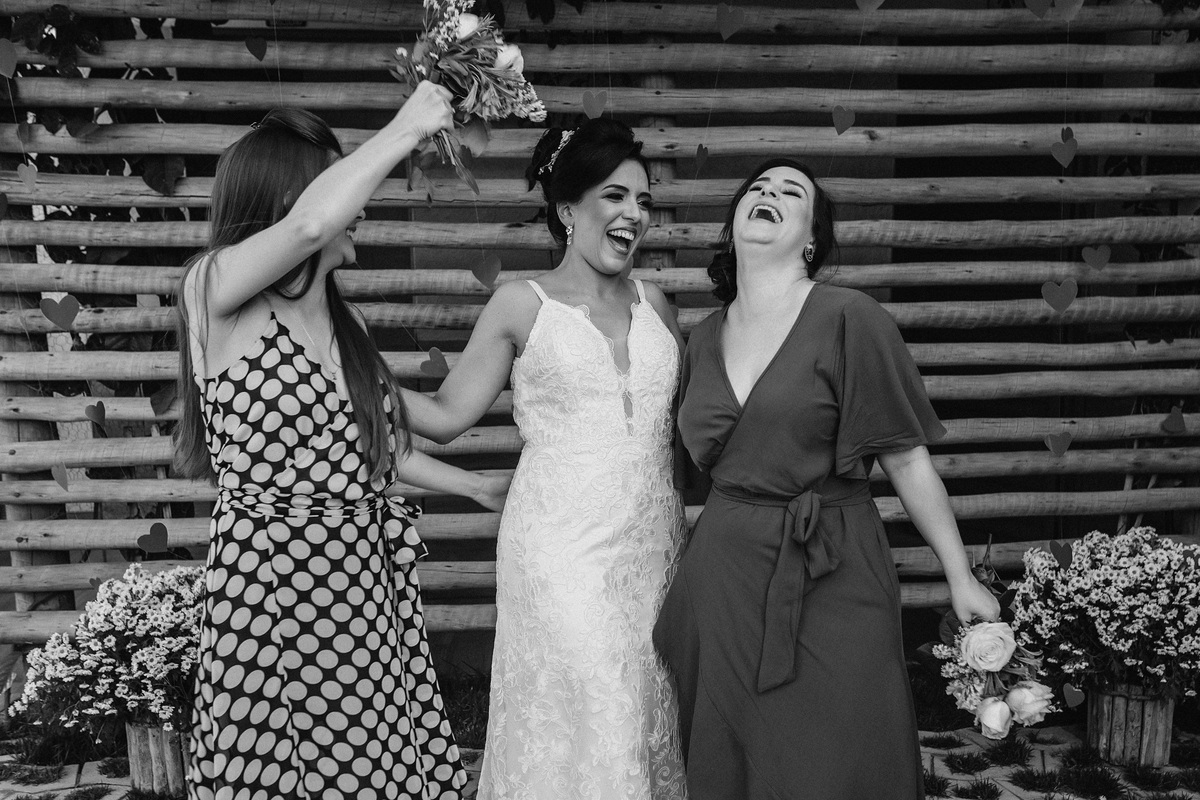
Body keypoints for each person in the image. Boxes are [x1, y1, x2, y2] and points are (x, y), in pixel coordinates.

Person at [174, 83, 510, 800]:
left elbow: (426, 426)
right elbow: (303, 230)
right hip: (269, 580)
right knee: (274, 773)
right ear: (297, 197)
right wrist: (408, 124)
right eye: (339, 183)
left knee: (373, 769)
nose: (360, 203)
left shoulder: (344, 325)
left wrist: (525, 322)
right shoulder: (213, 291)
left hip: (359, 578)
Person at [652, 159, 1000, 799]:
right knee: (734, 755)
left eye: (791, 193)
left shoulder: (851, 318)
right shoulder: (700, 341)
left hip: (832, 564)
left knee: (843, 746)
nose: (768, 194)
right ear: (732, 227)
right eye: (756, 188)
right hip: (724, 575)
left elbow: (906, 459)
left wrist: (959, 574)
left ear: (812, 237)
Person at [399, 118, 689, 799]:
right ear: (567, 209)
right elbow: (444, 416)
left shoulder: (660, 306)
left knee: (647, 706)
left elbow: (683, 429)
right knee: (599, 697)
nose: (634, 215)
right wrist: (346, 370)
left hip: (655, 549)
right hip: (560, 549)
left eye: (644, 202)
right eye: (616, 197)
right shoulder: (519, 304)